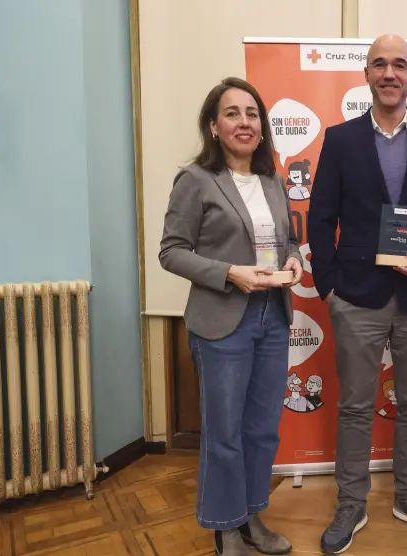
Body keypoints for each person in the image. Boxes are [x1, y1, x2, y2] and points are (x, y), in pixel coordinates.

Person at [307, 33, 407, 554]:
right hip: (357, 295)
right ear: (367, 74)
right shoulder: (341, 139)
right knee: (355, 406)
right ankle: (351, 504)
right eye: (380, 64)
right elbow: (321, 216)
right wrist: (329, 287)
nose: (390, 73)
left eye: (400, 64)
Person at [159, 77, 305, 556]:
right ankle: (224, 528)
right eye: (232, 113)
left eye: (252, 113)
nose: (244, 122)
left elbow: (286, 241)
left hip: (272, 318)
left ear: (262, 127)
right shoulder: (196, 180)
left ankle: (251, 518)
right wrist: (229, 273)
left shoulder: (272, 181)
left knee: (261, 429)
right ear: (213, 126)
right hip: (222, 322)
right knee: (224, 433)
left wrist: (293, 261)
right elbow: (172, 252)